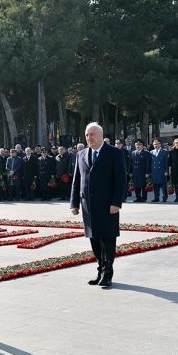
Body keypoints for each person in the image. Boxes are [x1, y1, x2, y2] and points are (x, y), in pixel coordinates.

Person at [69, 122, 126, 289]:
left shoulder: (115, 153)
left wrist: (116, 202)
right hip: (88, 206)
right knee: (93, 240)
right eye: (87, 135)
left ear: (101, 136)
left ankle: (108, 273)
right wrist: (74, 203)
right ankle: (100, 270)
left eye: (92, 134)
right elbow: (76, 180)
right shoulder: (81, 155)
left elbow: (121, 180)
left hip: (108, 205)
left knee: (107, 240)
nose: (89, 137)